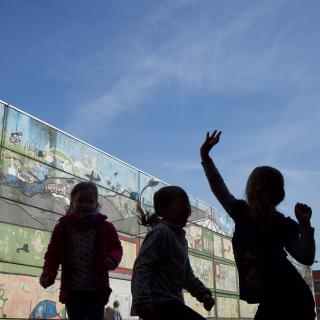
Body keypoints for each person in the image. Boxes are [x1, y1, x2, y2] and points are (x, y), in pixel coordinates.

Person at [200, 130, 316, 320]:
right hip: (275, 298)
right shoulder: (241, 212)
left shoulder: (279, 223)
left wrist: (305, 227)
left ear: (254, 188)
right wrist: (205, 157)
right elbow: (218, 186)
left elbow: (306, 257)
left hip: (291, 297)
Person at [39, 181, 123, 320]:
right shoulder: (63, 228)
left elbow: (116, 248)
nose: (85, 205)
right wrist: (48, 273)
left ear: (96, 205)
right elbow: (53, 255)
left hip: (97, 291)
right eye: (81, 201)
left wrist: (112, 258)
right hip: (73, 291)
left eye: (90, 201)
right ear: (72, 203)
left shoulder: (105, 227)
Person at [131, 186, 215, 320]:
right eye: (183, 204)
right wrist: (142, 300)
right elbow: (142, 266)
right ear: (162, 209)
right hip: (159, 304)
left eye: (188, 205)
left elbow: (187, 276)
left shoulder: (181, 240)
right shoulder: (161, 233)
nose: (188, 209)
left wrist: (203, 294)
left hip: (173, 303)